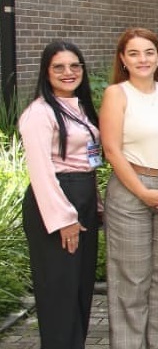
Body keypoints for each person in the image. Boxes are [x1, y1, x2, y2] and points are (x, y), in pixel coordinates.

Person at [100, 29, 158, 348]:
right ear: (123, 59)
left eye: (149, 52)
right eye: (134, 53)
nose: (143, 59)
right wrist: (142, 191)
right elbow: (111, 150)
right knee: (132, 278)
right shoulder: (117, 94)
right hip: (131, 189)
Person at [18, 41, 101, 349]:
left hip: (83, 199)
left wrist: (96, 202)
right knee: (59, 293)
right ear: (46, 72)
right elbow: (41, 171)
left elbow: (87, 161)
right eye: (59, 67)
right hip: (57, 203)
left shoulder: (79, 106)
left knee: (80, 288)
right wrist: (64, 218)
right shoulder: (39, 113)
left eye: (74, 65)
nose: (69, 72)